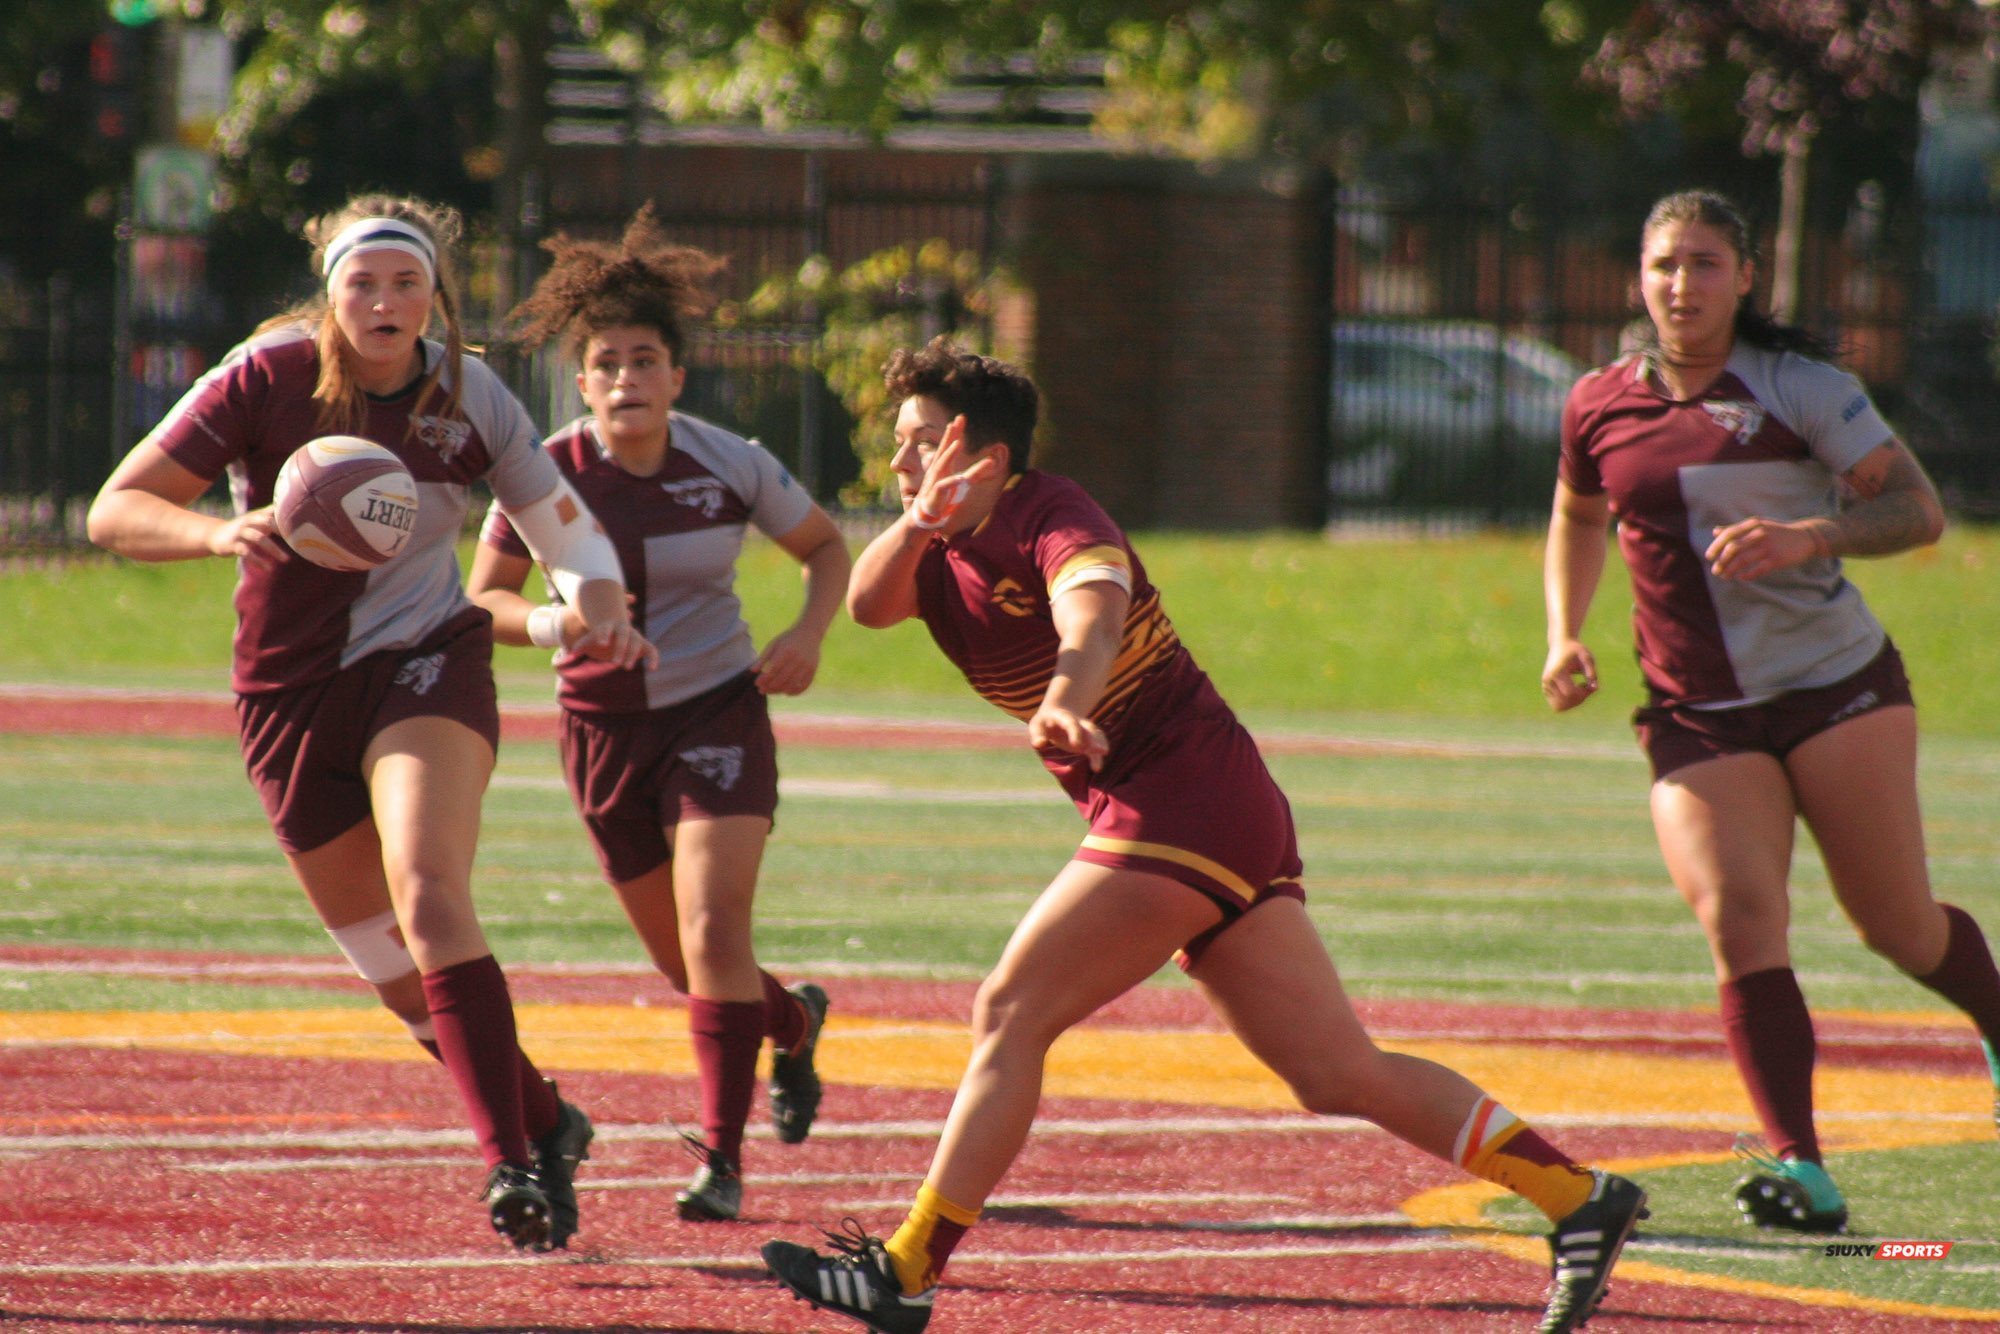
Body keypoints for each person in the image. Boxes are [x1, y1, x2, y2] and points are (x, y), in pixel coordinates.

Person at [761, 337, 1646, 1334]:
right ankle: (1578, 1197)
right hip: (1210, 804)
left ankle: (903, 1269)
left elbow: (1089, 618)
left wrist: (1062, 698)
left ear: (990, 459)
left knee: (1009, 1005)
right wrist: (915, 519)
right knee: (1334, 1070)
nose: (899, 463)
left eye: (920, 443)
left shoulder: (1054, 512)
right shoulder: (939, 540)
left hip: (1184, 796)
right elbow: (872, 605)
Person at [86, 194, 657, 1252]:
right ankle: (547, 1118)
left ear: (434, 296)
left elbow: (563, 524)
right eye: (364, 282)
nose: (385, 301)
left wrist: (602, 612)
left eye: (407, 283)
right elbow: (114, 508)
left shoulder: (468, 389)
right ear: (332, 294)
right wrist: (216, 534)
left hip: (426, 661)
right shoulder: (266, 377)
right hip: (285, 693)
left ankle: (510, 1164)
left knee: (428, 889)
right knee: (389, 971)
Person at [1542, 188, 2000, 1233]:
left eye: (1704, 263)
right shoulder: (1597, 401)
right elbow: (1573, 514)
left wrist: (1810, 534)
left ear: (1744, 278)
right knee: (1739, 918)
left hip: (1833, 689)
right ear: (1637, 276)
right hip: (1696, 712)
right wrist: (1562, 631)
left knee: (1895, 924)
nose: (1680, 284)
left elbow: (1914, 510)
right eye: (1663, 263)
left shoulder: (1800, 386)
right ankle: (1802, 1169)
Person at [466, 207, 848, 1222]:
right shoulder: (538, 477)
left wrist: (808, 631)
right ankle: (792, 1024)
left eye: (646, 359)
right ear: (580, 380)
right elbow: (481, 600)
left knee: (716, 926)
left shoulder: (729, 461)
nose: (627, 376)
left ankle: (719, 1158)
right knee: (688, 963)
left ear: (678, 376)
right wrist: (555, 622)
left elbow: (824, 547)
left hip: (716, 711)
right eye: (606, 361)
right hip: (599, 732)